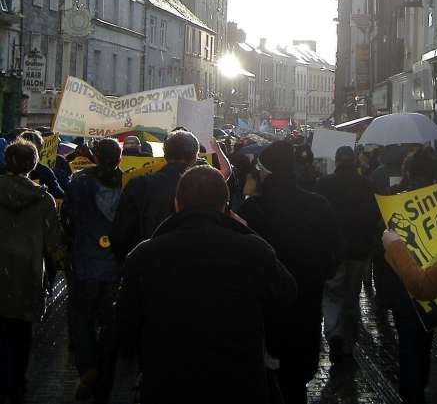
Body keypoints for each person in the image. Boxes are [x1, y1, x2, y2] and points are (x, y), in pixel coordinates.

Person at [117, 165, 298, 404]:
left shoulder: (145, 255)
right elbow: (287, 295)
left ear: (177, 203)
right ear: (224, 206)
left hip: (168, 384)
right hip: (239, 383)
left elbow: (125, 328)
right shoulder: (253, 250)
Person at [238, 140, 339, 404]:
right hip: (305, 304)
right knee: (296, 381)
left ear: (266, 172)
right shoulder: (318, 205)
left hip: (266, 313)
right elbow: (333, 256)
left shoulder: (253, 209)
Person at [61, 137, 123, 404]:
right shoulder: (132, 180)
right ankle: (105, 380)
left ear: (95, 155)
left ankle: (88, 368)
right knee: (110, 324)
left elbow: (68, 216)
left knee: (81, 319)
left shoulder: (81, 181)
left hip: (85, 262)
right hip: (115, 264)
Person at [0, 139, 62, 404]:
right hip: (27, 277)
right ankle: (16, 387)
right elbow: (54, 244)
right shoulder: (43, 198)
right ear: (34, 165)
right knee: (21, 337)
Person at [374, 148, 437, 404]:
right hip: (435, 279)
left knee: (409, 337)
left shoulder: (394, 198)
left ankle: (412, 390)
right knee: (424, 338)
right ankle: (419, 381)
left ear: (407, 170)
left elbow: (382, 241)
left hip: (403, 283)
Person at [316, 146, 379, 363]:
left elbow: (319, 217)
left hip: (334, 250)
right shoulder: (367, 184)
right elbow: (375, 216)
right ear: (354, 161)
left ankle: (334, 334)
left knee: (332, 295)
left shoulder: (324, 184)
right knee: (352, 297)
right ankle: (348, 345)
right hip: (360, 250)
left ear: (336, 161)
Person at [111, 130, 199, 260]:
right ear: (195, 157)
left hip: (146, 266)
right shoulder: (205, 187)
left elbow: (120, 233)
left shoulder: (139, 184)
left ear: (165, 155)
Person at [19, 130, 64, 199]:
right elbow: (59, 194)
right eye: (40, 147)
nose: (41, 151)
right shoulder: (44, 171)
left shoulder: (6, 169)